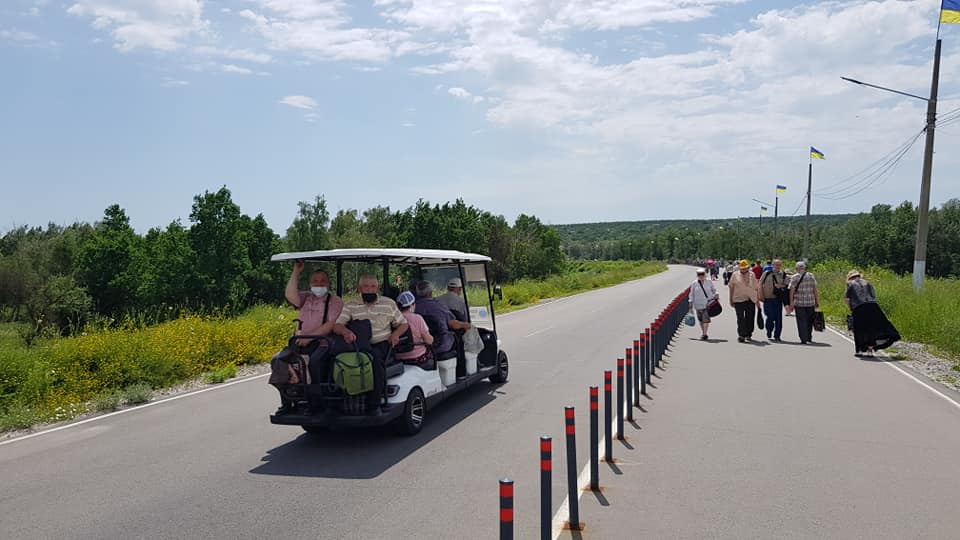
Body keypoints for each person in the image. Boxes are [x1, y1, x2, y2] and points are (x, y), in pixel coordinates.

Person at [268, 263, 344, 413]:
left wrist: (310, 338)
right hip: (298, 342)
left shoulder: (335, 301)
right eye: (315, 281)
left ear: (328, 284)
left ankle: (314, 403)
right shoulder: (305, 298)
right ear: (310, 284)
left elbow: (330, 325)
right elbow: (290, 295)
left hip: (323, 343)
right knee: (277, 360)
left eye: (322, 281)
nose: (319, 284)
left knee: (314, 363)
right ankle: (288, 400)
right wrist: (296, 271)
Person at [332, 275, 409, 405]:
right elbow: (337, 325)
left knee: (374, 359)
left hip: (381, 344)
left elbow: (403, 324)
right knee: (337, 359)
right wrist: (346, 332)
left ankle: (374, 403)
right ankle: (339, 399)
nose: (369, 290)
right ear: (359, 288)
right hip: (358, 344)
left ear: (377, 288)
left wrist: (395, 334)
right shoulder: (351, 305)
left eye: (373, 286)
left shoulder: (388, 303)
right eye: (366, 287)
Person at [845, 270, 901, 356]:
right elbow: (873, 296)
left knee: (859, 329)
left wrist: (851, 308)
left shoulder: (850, 283)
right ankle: (870, 350)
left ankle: (859, 351)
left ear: (850, 277)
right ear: (859, 276)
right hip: (873, 307)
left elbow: (847, 299)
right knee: (871, 329)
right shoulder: (868, 283)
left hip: (859, 307)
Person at [413, 280, 472, 357]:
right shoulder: (438, 306)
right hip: (441, 345)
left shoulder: (414, 307)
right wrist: (465, 325)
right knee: (459, 339)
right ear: (431, 292)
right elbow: (453, 324)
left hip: (421, 345)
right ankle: (461, 366)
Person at [394, 291, 434, 364]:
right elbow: (429, 340)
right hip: (418, 358)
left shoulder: (394, 319)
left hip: (399, 359)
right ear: (413, 305)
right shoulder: (417, 318)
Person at [787, 261, 820, 344]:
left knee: (801, 321)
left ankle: (803, 338)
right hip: (810, 302)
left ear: (796, 268)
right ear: (805, 268)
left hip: (799, 303)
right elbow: (815, 289)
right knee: (809, 320)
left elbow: (792, 291)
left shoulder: (794, 277)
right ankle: (809, 337)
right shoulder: (811, 276)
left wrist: (791, 303)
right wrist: (817, 300)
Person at [728, 259, 761, 342]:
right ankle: (741, 335)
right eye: (742, 268)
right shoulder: (735, 275)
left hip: (750, 299)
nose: (743, 270)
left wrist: (757, 301)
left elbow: (756, 288)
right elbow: (731, 287)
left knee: (750, 317)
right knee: (740, 318)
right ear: (739, 268)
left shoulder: (752, 274)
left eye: (745, 268)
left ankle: (748, 334)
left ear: (748, 267)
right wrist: (731, 299)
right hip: (738, 299)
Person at [758, 259, 788, 341]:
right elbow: (760, 284)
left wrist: (780, 286)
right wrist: (760, 295)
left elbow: (787, 286)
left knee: (778, 318)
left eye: (779, 265)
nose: (778, 266)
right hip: (767, 299)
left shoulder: (784, 275)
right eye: (776, 265)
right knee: (770, 316)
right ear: (773, 265)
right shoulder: (767, 273)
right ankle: (769, 330)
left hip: (778, 299)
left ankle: (777, 335)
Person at [688, 268, 718, 340]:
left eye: (702, 274)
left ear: (705, 274)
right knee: (701, 320)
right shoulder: (694, 283)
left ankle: (704, 334)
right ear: (697, 275)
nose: (701, 276)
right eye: (699, 275)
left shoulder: (709, 282)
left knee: (706, 319)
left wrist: (716, 294)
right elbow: (691, 294)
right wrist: (690, 304)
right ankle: (703, 332)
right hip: (698, 304)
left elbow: (714, 290)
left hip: (707, 304)